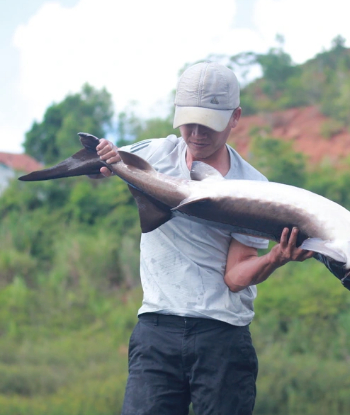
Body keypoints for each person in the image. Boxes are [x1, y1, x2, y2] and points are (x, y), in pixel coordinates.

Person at [95, 62, 312, 415]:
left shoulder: (254, 188)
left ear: (235, 117)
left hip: (221, 338)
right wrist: (103, 159)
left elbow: (234, 276)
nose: (195, 133)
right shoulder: (155, 154)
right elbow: (101, 170)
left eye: (208, 123)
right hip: (156, 329)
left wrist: (276, 258)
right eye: (188, 121)